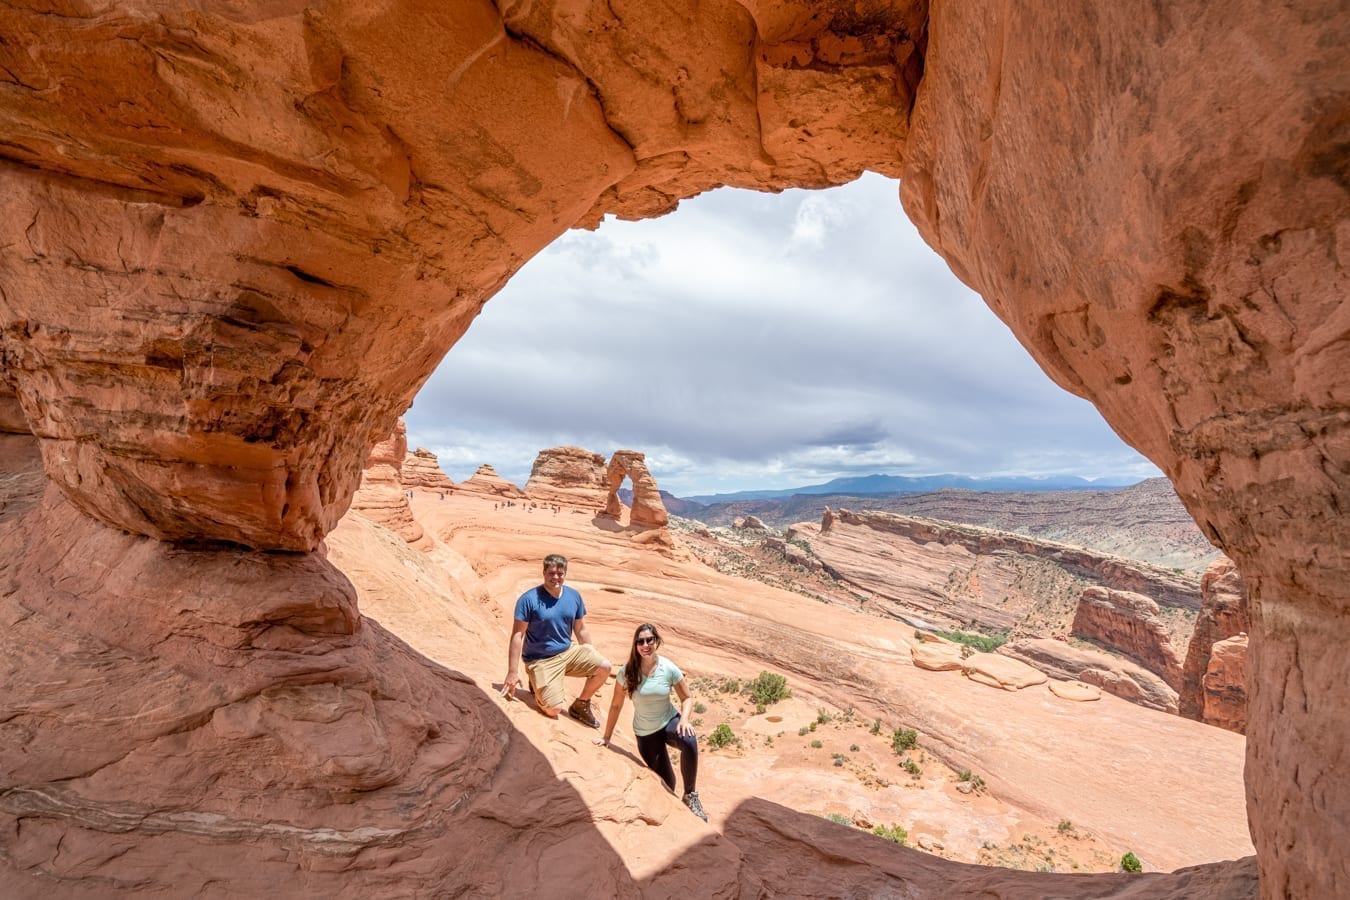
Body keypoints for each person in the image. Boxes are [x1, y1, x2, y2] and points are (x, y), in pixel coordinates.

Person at [596, 623, 706, 822]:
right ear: (635, 645)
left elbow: (687, 697)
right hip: (646, 734)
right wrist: (606, 737)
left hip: (669, 721)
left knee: (689, 740)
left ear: (657, 642)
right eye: (640, 641)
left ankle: (691, 796)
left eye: (649, 640)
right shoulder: (627, 672)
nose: (645, 645)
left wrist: (685, 719)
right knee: (667, 783)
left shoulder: (668, 668)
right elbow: (615, 706)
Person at [501, 554, 610, 727]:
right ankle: (536, 682)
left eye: (560, 573)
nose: (556, 577)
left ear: (565, 574)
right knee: (553, 710)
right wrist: (512, 672)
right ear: (544, 573)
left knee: (604, 667)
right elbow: (517, 636)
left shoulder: (573, 596)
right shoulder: (529, 600)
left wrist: (590, 653)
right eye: (551, 573)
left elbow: (580, 629)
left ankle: (581, 705)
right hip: (540, 660)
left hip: (567, 652)